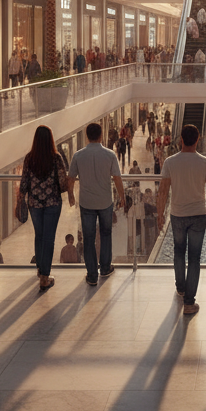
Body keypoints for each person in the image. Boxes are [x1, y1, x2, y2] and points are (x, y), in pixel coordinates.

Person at [157, 123, 206, 316]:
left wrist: (160, 215)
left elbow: (163, 192)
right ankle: (189, 303)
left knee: (178, 252)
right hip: (198, 214)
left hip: (177, 214)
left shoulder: (170, 162)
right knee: (194, 258)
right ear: (197, 140)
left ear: (181, 139)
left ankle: (181, 288)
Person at [68, 121, 124, 286]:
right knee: (106, 234)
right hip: (105, 201)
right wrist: (122, 197)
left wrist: (71, 195)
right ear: (101, 135)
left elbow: (70, 178)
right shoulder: (110, 155)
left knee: (88, 238)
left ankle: (92, 274)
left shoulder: (78, 155)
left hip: (87, 203)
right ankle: (105, 267)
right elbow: (117, 178)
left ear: (87, 136)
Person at [17, 125, 71, 292]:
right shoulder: (56, 158)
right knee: (49, 238)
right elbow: (62, 184)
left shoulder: (29, 158)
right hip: (52, 203)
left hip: (34, 204)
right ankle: (45, 277)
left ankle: (41, 269)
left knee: (39, 236)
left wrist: (21, 197)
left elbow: (24, 182)